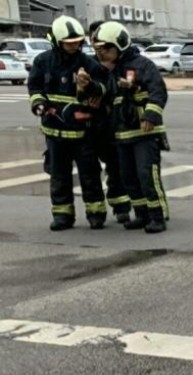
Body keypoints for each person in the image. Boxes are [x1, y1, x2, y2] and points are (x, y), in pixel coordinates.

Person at [27, 16, 109, 231]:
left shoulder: (88, 64)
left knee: (90, 175)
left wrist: (89, 85)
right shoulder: (43, 62)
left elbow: (104, 89)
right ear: (56, 41)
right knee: (59, 176)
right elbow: (35, 88)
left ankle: (96, 213)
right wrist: (39, 104)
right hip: (54, 133)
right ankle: (63, 216)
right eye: (68, 42)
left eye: (77, 41)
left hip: (84, 133)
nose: (74, 45)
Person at [92, 21, 169, 233]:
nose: (102, 53)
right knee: (129, 178)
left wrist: (151, 116)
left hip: (145, 133)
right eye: (98, 49)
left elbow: (158, 91)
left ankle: (157, 216)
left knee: (147, 175)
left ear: (120, 45)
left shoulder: (142, 65)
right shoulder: (110, 71)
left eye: (105, 49)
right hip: (122, 135)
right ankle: (142, 214)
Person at [86, 20, 131, 226]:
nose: (98, 43)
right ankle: (96, 213)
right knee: (90, 170)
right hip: (90, 126)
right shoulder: (87, 64)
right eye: (94, 38)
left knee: (116, 167)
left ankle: (121, 208)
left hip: (113, 124)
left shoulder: (121, 63)